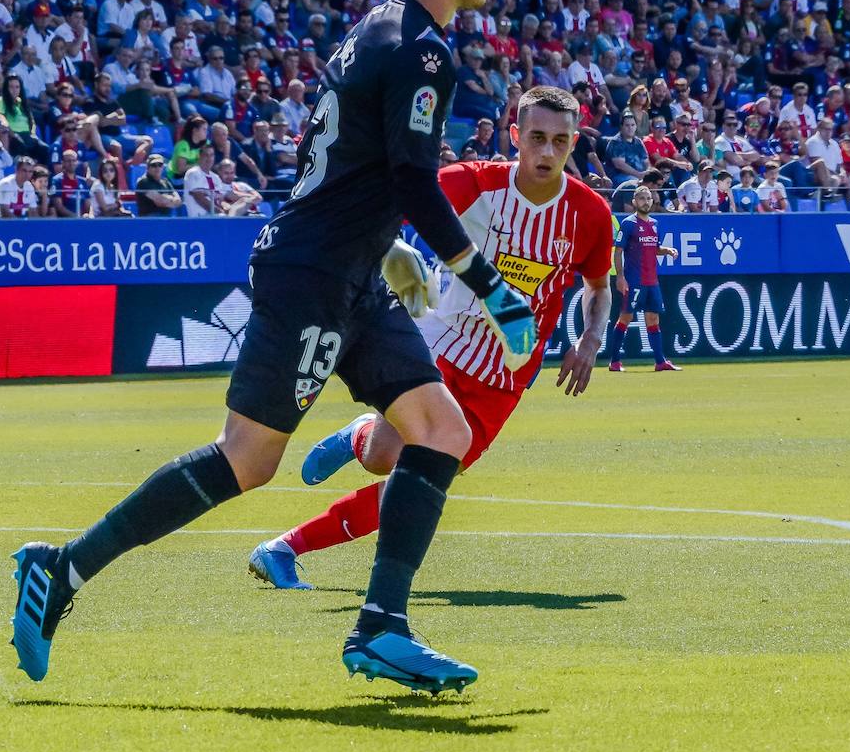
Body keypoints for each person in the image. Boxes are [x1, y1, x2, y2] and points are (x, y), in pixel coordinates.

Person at [8, 0, 537, 696]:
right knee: (248, 459)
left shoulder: (373, 32)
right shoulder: (425, 51)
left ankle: (382, 627)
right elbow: (414, 179)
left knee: (440, 428)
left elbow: (333, 160)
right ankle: (62, 570)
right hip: (316, 278)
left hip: (350, 270)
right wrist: (489, 288)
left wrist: (382, 239)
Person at [249, 86, 613, 589]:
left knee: (417, 478)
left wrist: (590, 339)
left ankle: (285, 547)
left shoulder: (591, 214)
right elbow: (388, 196)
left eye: (560, 141)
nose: (547, 152)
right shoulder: (473, 183)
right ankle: (358, 444)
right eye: (536, 138)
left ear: (575, 142)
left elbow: (600, 287)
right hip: (435, 344)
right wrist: (389, 245)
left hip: (504, 374)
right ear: (515, 137)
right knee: (389, 460)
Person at [606, 184, 680, 372]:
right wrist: (621, 277)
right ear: (634, 202)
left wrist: (667, 250)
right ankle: (614, 362)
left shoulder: (655, 224)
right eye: (641, 198)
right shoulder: (628, 224)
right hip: (634, 280)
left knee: (653, 318)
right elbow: (618, 251)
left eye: (648, 198)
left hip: (652, 280)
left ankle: (660, 361)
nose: (645, 202)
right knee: (625, 317)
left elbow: (655, 248)